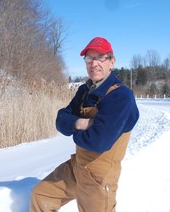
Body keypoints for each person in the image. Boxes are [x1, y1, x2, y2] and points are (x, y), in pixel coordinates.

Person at [30, 37, 139, 212]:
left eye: (100, 57)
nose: (94, 63)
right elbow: (60, 120)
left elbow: (99, 141)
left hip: (99, 177)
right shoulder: (84, 91)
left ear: (112, 62)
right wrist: (81, 123)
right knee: (41, 195)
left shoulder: (120, 96)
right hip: (76, 167)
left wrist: (74, 128)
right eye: (89, 58)